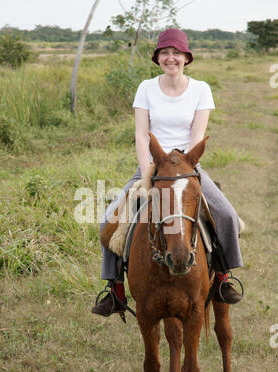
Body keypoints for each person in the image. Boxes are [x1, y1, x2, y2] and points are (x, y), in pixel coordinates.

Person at [92, 28, 243, 317]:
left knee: (227, 216)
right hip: (152, 165)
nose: (170, 58)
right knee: (107, 222)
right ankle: (115, 290)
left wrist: (183, 168)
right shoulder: (146, 88)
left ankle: (224, 277)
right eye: (165, 53)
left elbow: (197, 137)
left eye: (176, 53)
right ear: (158, 58)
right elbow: (140, 133)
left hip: (187, 167)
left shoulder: (201, 89)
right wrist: (148, 169)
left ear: (186, 57)